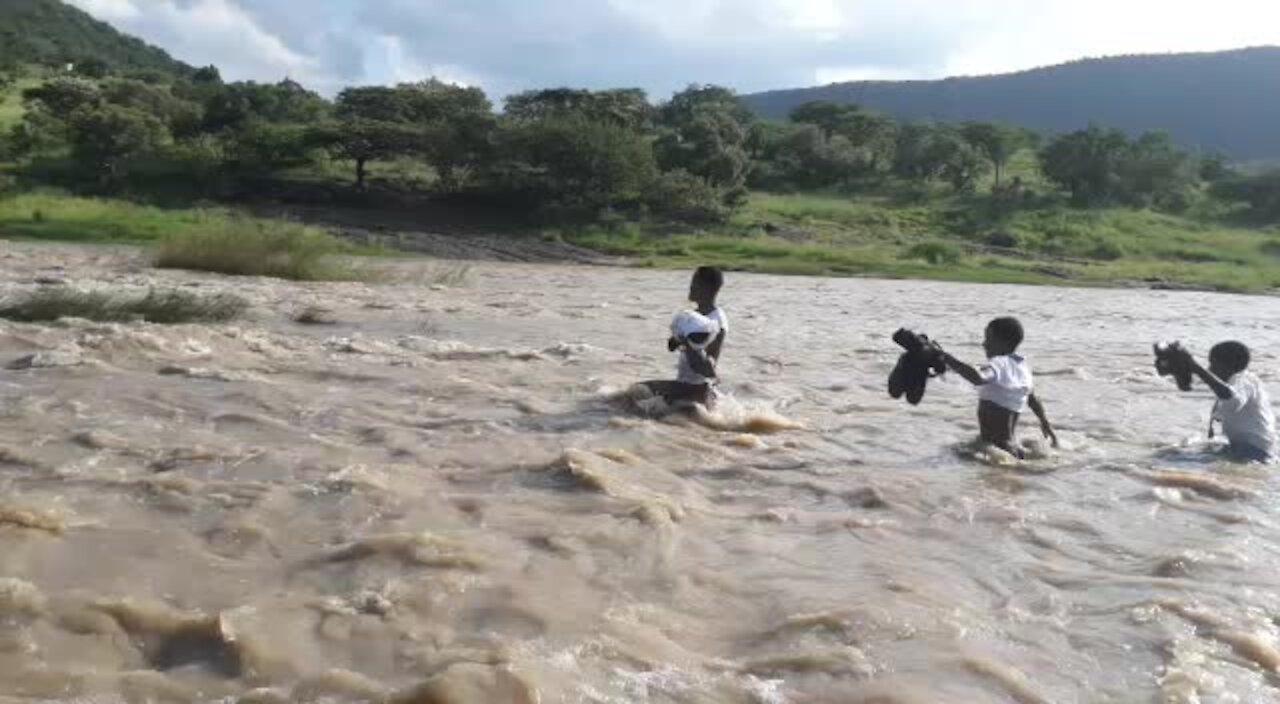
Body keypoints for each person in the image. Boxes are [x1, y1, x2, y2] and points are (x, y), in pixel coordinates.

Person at [940, 317, 1059, 458]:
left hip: (993, 450)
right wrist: (1045, 423)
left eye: (988, 339)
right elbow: (1032, 398)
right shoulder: (1021, 366)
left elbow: (978, 377)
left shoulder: (1000, 363)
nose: (984, 344)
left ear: (1004, 343)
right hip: (1010, 448)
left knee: (949, 456)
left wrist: (944, 356)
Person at [1181, 341, 1277, 462]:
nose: (1210, 369)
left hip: (1252, 451)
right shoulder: (1237, 382)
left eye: (1213, 364)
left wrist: (1197, 369)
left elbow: (1233, 399)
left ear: (1229, 366)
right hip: (1251, 448)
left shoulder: (1243, 381)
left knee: (1180, 460)